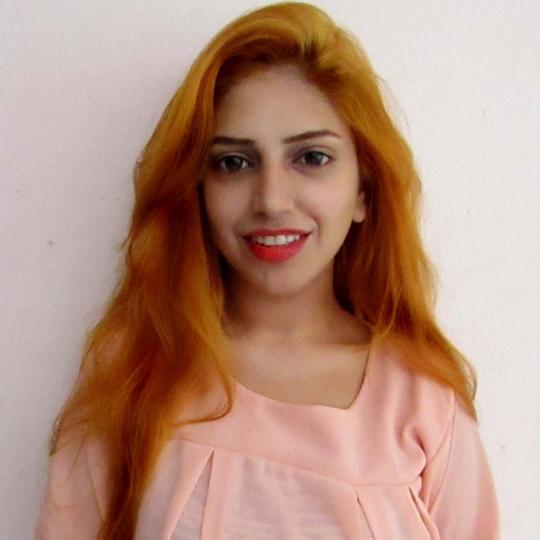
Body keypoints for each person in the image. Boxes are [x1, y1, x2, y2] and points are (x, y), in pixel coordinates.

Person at [34, 2, 500, 539]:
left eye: (312, 158)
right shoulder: (134, 374)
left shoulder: (424, 403)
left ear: (364, 191)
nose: (272, 200)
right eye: (234, 162)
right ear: (197, 191)